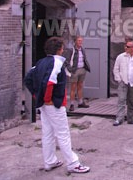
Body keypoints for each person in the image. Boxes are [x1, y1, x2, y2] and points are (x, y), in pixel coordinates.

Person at [24, 37, 90, 174]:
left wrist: (38, 97)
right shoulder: (57, 62)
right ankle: (73, 163)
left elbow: (28, 78)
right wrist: (47, 99)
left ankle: (50, 161)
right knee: (63, 134)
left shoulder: (40, 62)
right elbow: (50, 82)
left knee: (48, 133)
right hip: (54, 104)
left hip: (45, 105)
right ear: (60, 49)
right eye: (62, 48)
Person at [113, 39, 133, 126]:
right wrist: (119, 79)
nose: (125, 48)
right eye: (125, 46)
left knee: (132, 101)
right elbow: (116, 69)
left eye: (128, 47)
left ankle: (131, 119)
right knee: (121, 100)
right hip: (123, 82)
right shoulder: (120, 57)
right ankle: (119, 119)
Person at [64, 36, 91, 112]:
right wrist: (71, 69)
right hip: (75, 70)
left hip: (82, 69)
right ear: (75, 41)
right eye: (79, 40)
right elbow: (66, 61)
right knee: (73, 87)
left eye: (81, 41)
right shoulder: (71, 50)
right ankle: (72, 104)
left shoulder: (82, 49)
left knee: (80, 86)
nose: (80, 42)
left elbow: (84, 58)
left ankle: (80, 102)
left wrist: (86, 67)